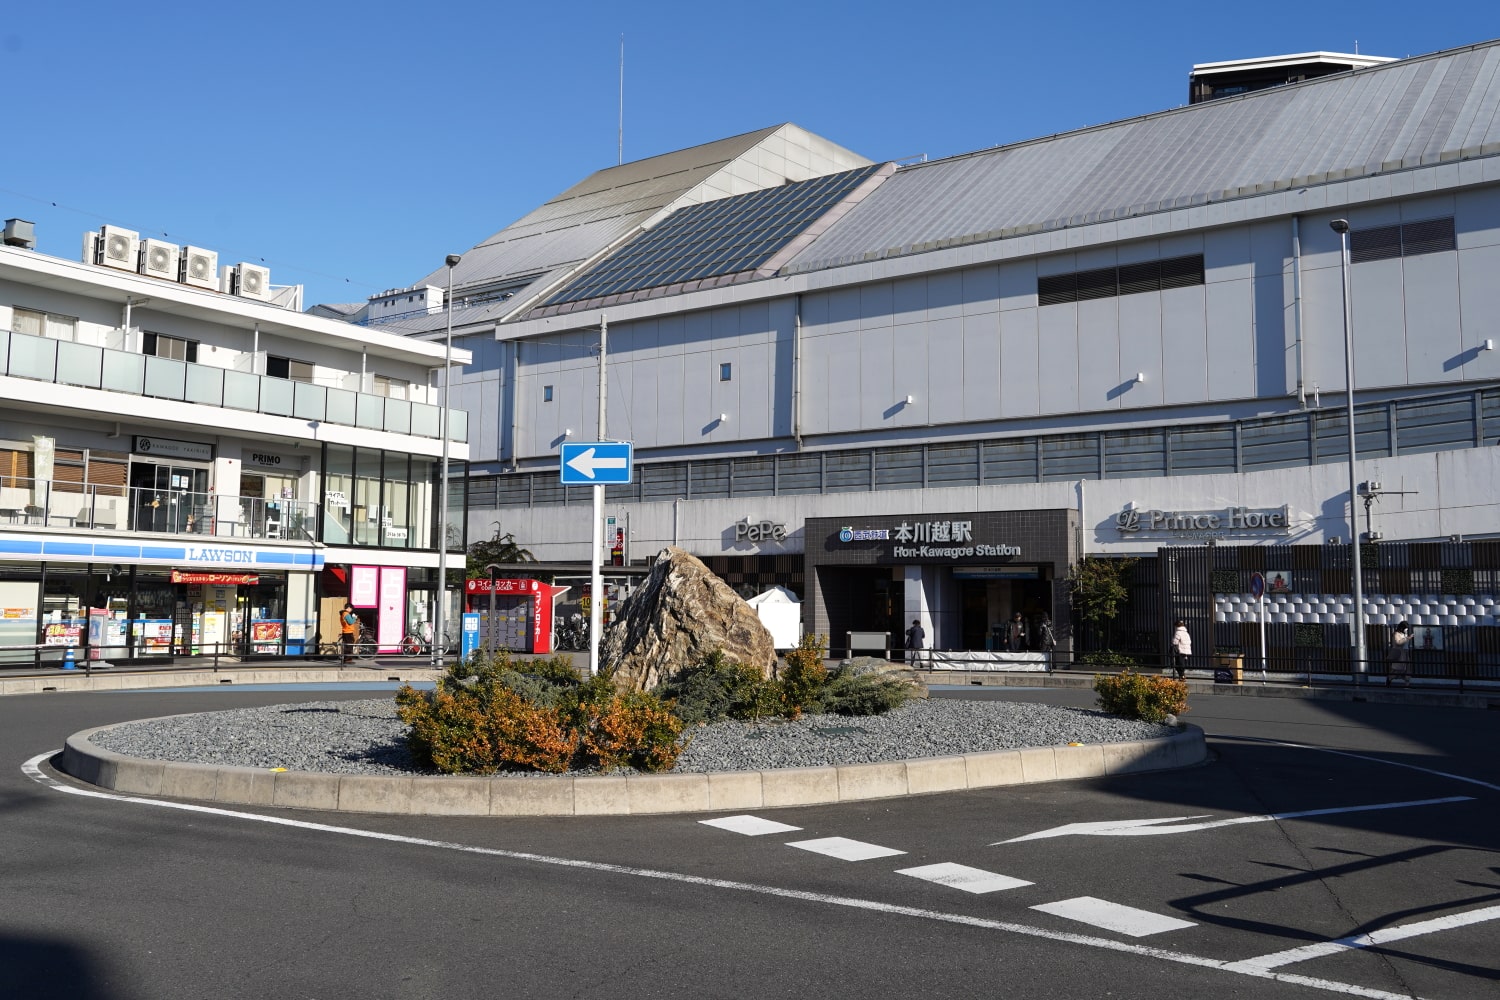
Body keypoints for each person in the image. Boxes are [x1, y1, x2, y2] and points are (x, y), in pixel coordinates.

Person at [1387, 621, 1412, 687]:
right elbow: (1398, 643)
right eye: (1405, 628)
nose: (1406, 629)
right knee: (1398, 669)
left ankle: (1407, 683)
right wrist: (1407, 638)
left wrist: (1407, 638)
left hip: (1406, 652)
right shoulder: (1396, 634)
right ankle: (1390, 678)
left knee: (1407, 669)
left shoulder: (1404, 634)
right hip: (1400, 653)